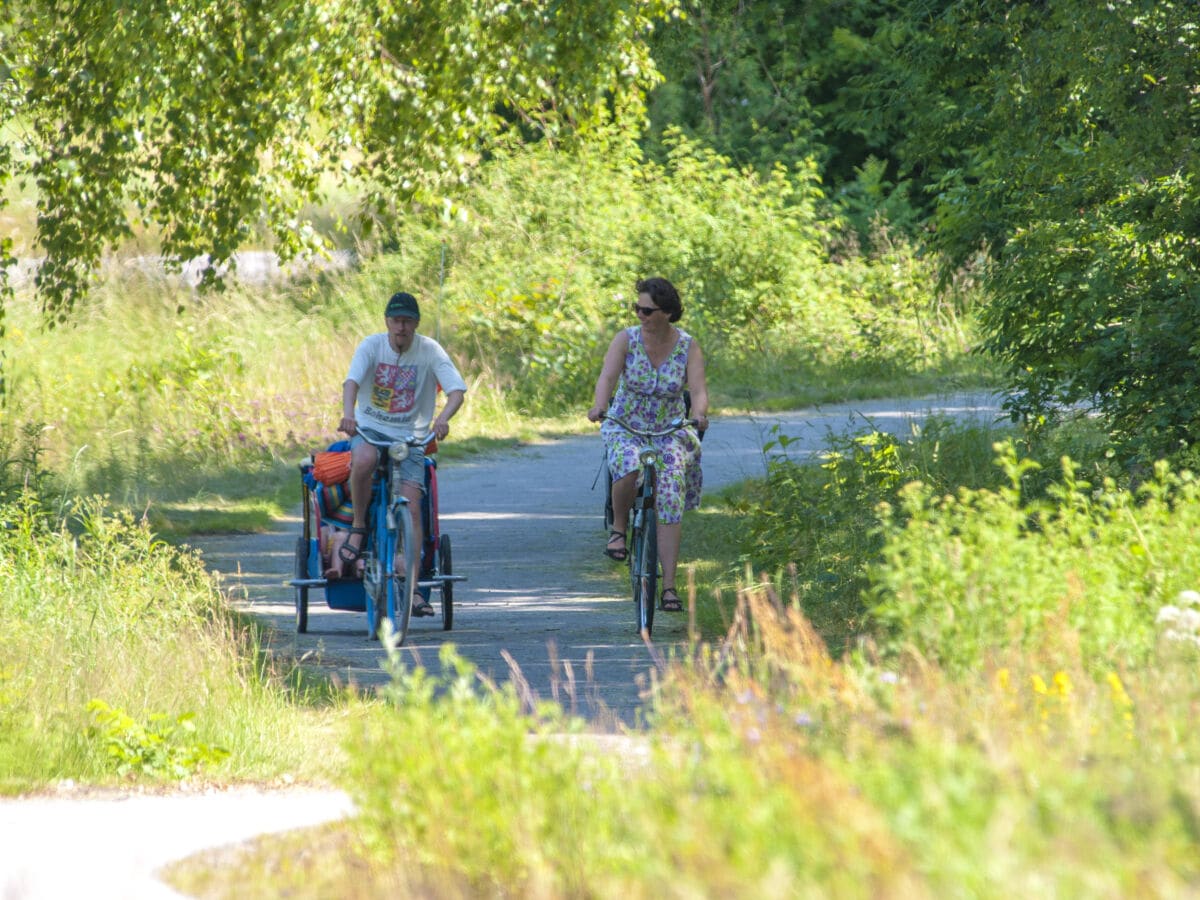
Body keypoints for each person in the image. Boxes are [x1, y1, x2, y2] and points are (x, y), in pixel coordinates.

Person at [328, 290, 467, 617]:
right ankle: (359, 526)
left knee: (413, 507)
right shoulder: (371, 346)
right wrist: (348, 414)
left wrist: (443, 418)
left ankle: (415, 589)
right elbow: (351, 382)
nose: (401, 327)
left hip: (411, 436)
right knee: (362, 460)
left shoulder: (430, 350)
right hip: (370, 429)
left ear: (416, 323)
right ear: (387, 322)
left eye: (407, 321)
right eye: (396, 320)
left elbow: (456, 391)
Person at [586, 277, 709, 612]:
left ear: (667, 313)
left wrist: (699, 414)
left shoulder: (688, 346)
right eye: (637, 308)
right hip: (626, 424)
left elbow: (697, 390)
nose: (640, 314)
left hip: (670, 428)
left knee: (670, 495)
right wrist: (600, 405)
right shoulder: (626, 339)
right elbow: (607, 377)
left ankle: (668, 586)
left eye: (647, 310)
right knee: (628, 466)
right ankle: (619, 531)